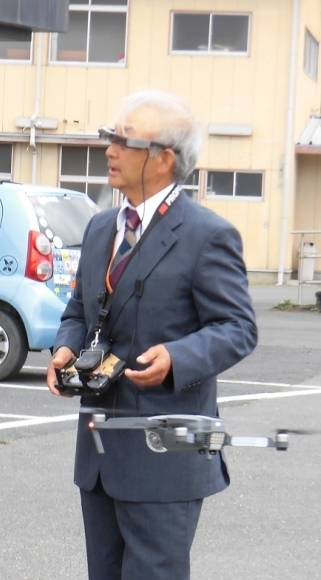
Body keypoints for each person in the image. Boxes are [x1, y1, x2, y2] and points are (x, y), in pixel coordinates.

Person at [46, 90, 257, 580]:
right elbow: (80, 309)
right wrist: (64, 348)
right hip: (99, 453)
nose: (109, 150)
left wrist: (178, 357)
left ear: (164, 159)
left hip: (165, 456)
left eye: (124, 141)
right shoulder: (102, 227)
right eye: (109, 137)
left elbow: (238, 328)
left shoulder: (207, 235)